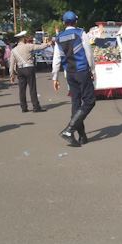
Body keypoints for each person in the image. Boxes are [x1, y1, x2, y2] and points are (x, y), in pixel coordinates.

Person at [52, 11, 96, 147]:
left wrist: (55, 77)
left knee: (76, 104)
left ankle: (82, 136)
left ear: (64, 23)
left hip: (69, 74)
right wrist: (93, 70)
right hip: (82, 71)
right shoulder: (80, 33)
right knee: (89, 101)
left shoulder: (59, 38)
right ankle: (69, 130)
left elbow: (56, 59)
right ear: (75, 22)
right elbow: (89, 53)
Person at [10, 30, 50, 113]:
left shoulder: (14, 50)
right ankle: (35, 106)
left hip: (20, 69)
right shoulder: (28, 46)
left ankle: (23, 107)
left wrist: (12, 75)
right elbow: (40, 47)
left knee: (22, 89)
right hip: (29, 68)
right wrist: (49, 43)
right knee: (32, 88)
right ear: (23, 39)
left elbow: (12, 64)